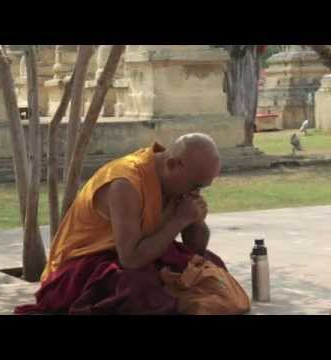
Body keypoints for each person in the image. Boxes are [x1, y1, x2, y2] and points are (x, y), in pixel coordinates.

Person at [15, 133, 226, 315]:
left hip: (140, 256)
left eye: (202, 187)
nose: (197, 192)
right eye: (196, 185)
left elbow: (195, 249)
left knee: (210, 266)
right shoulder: (125, 183)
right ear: (172, 165)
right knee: (135, 287)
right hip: (84, 267)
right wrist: (179, 220)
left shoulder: (177, 180)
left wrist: (195, 220)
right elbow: (130, 259)